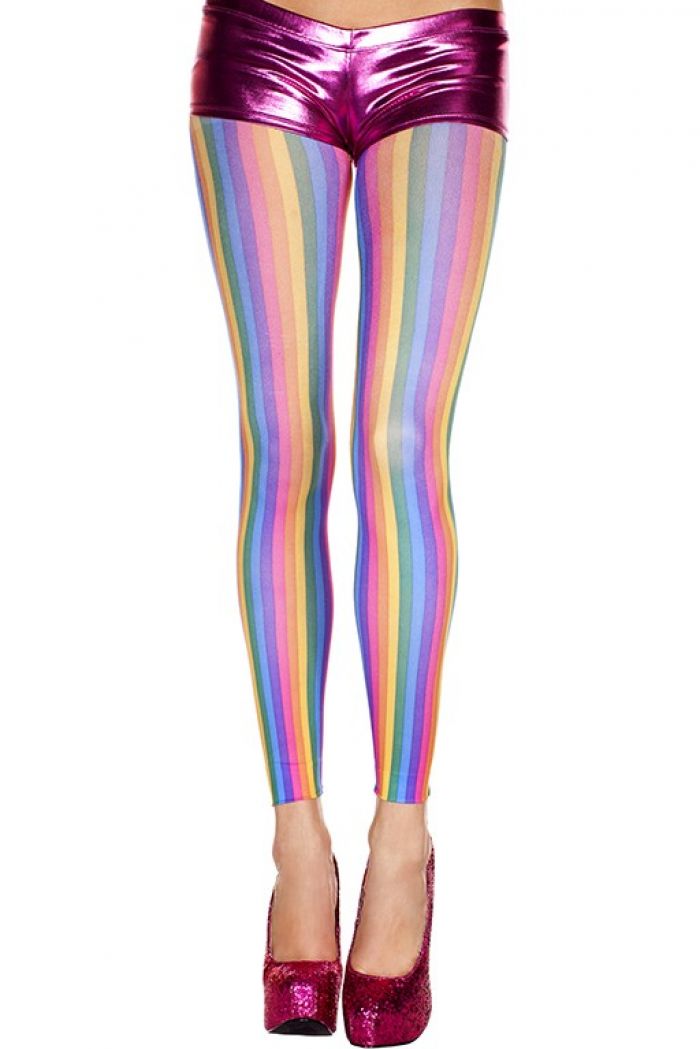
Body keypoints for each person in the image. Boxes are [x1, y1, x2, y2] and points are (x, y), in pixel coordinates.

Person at [188, 0, 509, 1042]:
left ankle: (402, 838)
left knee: (400, 441)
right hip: (259, 47)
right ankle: (297, 843)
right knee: (284, 441)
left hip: (443, 47)